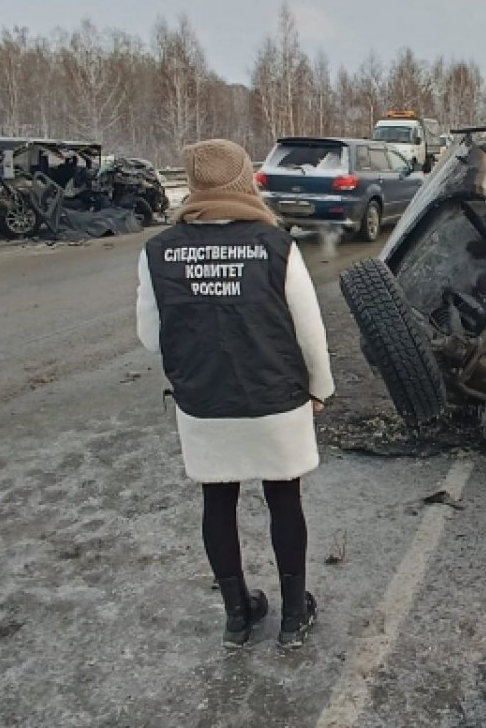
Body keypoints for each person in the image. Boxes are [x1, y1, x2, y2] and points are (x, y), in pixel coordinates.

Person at [135, 139, 334, 649]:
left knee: (217, 502)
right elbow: (308, 330)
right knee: (283, 499)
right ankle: (293, 617)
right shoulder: (275, 245)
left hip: (204, 400)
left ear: (195, 185)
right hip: (275, 398)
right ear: (246, 180)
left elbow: (150, 334)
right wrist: (320, 389)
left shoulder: (158, 251)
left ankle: (237, 616)